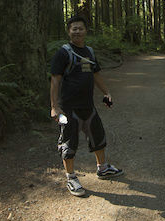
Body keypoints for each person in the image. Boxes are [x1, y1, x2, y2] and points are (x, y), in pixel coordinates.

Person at [50, 16, 123, 196]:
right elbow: (55, 80)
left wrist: (107, 93)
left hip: (88, 106)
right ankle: (71, 177)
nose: (77, 31)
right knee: (69, 142)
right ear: (69, 31)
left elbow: (96, 74)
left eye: (80, 28)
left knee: (98, 136)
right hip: (69, 108)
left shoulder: (89, 51)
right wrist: (54, 106)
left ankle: (103, 168)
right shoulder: (63, 53)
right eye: (74, 28)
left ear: (86, 31)